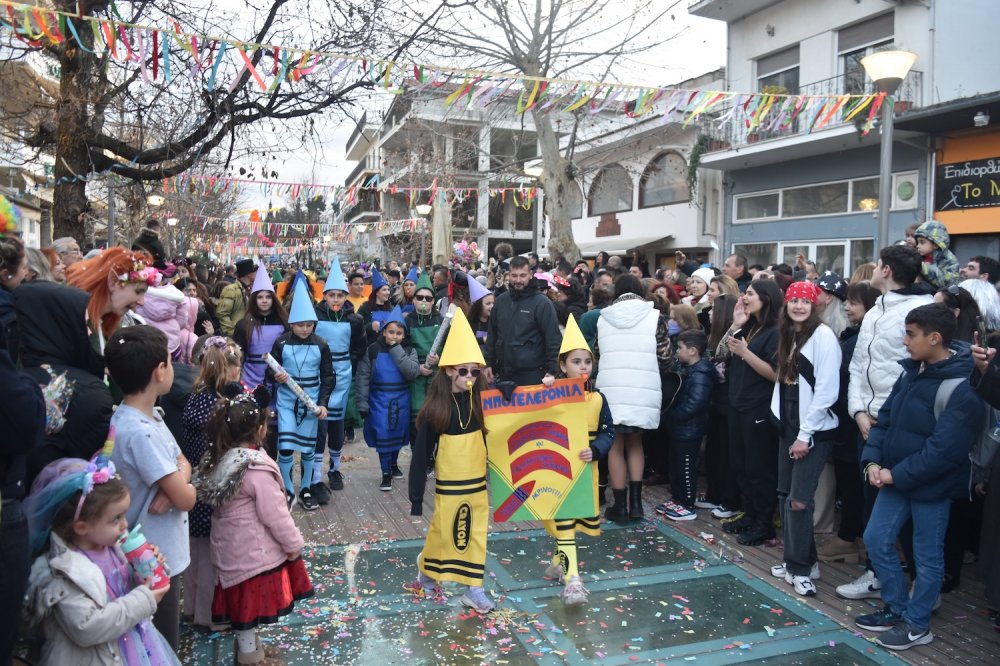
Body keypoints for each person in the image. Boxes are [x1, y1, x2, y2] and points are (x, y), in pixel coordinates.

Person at [855, 303, 983, 650]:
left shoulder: (963, 386)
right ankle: (896, 608)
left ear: (935, 337)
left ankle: (917, 623)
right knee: (877, 540)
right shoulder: (912, 371)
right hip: (895, 478)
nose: (904, 341)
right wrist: (871, 463)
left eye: (911, 334)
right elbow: (887, 421)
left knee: (927, 559)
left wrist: (894, 474)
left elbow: (945, 451)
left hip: (930, 487)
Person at [195, 385, 313, 666]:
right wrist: (293, 545)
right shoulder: (255, 468)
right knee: (247, 612)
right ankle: (250, 659)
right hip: (252, 554)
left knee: (243, 610)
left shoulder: (223, 458)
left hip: (231, 552)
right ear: (260, 428)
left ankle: (252, 648)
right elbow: (276, 516)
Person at [842, 245, 933, 601]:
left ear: (886, 270)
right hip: (868, 422)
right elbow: (858, 368)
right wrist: (859, 412)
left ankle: (916, 581)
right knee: (870, 499)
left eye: (877, 265)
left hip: (895, 423)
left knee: (901, 506)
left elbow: (914, 371)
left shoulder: (918, 311)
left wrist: (883, 415)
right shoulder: (877, 307)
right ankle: (877, 572)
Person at [22, 459, 179, 665]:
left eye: (124, 515)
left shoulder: (112, 548)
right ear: (81, 527)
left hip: (128, 645)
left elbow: (121, 588)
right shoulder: (63, 572)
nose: (125, 525)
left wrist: (145, 572)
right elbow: (87, 627)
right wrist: (143, 600)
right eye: (115, 519)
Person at [106, 325, 197, 651]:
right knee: (159, 643)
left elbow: (182, 460)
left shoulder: (146, 417)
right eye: (171, 362)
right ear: (160, 371)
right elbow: (187, 498)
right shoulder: (141, 431)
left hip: (151, 548)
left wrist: (173, 481)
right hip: (154, 558)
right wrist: (180, 482)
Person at [406, 309, 495, 613]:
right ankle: (427, 569)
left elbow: (511, 406)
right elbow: (420, 458)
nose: (470, 377)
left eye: (475, 371)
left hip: (477, 484)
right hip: (449, 485)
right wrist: (416, 498)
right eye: (463, 371)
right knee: (445, 532)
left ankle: (475, 588)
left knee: (476, 532)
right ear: (448, 371)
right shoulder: (435, 411)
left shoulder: (484, 403)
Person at [766, 281, 841, 597]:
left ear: (815, 305)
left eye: (804, 300)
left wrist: (805, 435)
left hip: (812, 428)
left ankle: (799, 568)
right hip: (789, 424)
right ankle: (803, 561)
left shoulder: (823, 337)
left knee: (799, 500)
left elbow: (826, 390)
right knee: (785, 496)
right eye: (793, 300)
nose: (798, 305)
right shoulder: (789, 334)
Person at [540, 317, 614, 605]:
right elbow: (532, 416)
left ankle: (564, 571)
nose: (583, 367)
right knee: (564, 521)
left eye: (587, 361)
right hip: (556, 471)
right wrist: (543, 390)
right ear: (562, 366)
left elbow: (609, 431)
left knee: (568, 522)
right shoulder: (551, 394)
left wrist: (596, 450)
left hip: (584, 470)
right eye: (576, 361)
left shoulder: (598, 398)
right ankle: (567, 573)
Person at [595, 274, 671, 522]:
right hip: (643, 387)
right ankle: (636, 505)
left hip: (611, 389)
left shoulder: (603, 318)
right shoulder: (655, 316)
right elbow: (665, 358)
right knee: (636, 443)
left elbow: (597, 353)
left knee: (614, 445)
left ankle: (619, 505)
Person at [181, 336, 242, 631]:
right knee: (211, 557)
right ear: (228, 369)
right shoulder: (220, 404)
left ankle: (192, 608)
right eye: (237, 365)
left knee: (195, 552)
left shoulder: (196, 395)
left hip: (194, 483)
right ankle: (209, 615)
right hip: (213, 486)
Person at [719, 280, 783, 546]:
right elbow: (719, 353)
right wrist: (734, 325)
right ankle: (749, 513)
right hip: (737, 404)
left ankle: (764, 523)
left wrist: (745, 353)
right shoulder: (748, 326)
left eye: (750, 294)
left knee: (759, 468)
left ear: (766, 298)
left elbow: (775, 373)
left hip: (758, 406)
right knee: (740, 464)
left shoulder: (776, 331)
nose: (744, 297)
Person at [819, 280, 879, 564]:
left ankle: (847, 538)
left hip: (849, 420)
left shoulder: (861, 339)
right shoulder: (854, 335)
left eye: (853, 302)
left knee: (852, 481)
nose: (846, 306)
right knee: (850, 480)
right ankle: (851, 537)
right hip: (846, 418)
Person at [269, 279, 333, 511]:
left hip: (311, 403)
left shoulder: (322, 345)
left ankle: (305, 488)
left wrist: (323, 403)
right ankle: (287, 489)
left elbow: (328, 376)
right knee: (285, 445)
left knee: (308, 448)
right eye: (300, 325)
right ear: (292, 324)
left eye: (309, 325)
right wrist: (275, 376)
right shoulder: (281, 343)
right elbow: (270, 368)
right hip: (287, 401)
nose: (305, 329)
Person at [312, 259, 366, 499]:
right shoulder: (314, 316)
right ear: (324, 297)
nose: (335, 300)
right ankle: (314, 475)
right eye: (331, 295)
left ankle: (334, 469)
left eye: (339, 295)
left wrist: (348, 363)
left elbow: (360, 346)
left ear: (346, 297)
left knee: (336, 424)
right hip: (319, 374)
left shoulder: (354, 320)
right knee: (318, 425)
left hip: (342, 375)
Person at [356, 306, 421, 491]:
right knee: (383, 434)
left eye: (398, 333)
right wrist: (362, 402)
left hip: (401, 399)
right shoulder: (373, 350)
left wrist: (396, 349)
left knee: (398, 435)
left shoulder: (409, 351)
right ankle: (385, 472)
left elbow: (412, 372)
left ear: (404, 335)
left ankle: (393, 462)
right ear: (384, 331)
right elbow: (362, 376)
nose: (394, 336)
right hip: (379, 400)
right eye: (391, 332)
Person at [655, 329, 715, 522]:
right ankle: (678, 498)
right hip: (681, 428)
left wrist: (674, 416)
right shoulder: (689, 370)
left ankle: (687, 503)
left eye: (679, 348)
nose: (676, 352)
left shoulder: (701, 373)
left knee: (687, 466)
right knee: (677, 465)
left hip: (690, 429)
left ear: (692, 350)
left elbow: (696, 402)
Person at [484, 256, 561, 387]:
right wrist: (488, 364)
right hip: (504, 374)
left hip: (533, 375)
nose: (518, 280)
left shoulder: (542, 303)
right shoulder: (501, 301)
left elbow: (553, 338)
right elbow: (492, 335)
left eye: (522, 275)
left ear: (530, 275)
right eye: (514, 276)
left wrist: (552, 371)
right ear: (508, 275)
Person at [233, 270, 288, 393]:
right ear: (254, 299)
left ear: (273, 299)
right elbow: (237, 355)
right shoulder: (244, 325)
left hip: (278, 378)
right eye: (260, 297)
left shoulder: (284, 323)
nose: (264, 300)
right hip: (249, 378)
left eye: (268, 297)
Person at [406, 273, 443, 443]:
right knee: (416, 419)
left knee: (436, 417)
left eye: (428, 298)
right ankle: (418, 457)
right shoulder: (406, 322)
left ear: (433, 301)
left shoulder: (442, 322)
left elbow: (450, 349)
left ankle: (432, 456)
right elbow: (401, 350)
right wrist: (417, 367)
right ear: (413, 300)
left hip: (437, 378)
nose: (424, 301)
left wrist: (440, 358)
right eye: (420, 297)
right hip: (414, 378)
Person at [913, 220, 960, 290]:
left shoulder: (949, 260)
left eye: (922, 242)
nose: (918, 246)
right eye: (917, 242)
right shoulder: (920, 257)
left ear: (936, 244)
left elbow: (948, 282)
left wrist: (923, 267)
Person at [216, 259, 257, 336]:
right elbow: (222, 314)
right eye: (254, 271)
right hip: (235, 336)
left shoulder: (248, 289)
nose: (256, 273)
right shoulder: (231, 289)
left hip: (246, 334)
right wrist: (233, 333)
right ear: (249, 274)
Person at [358, 267, 394, 347]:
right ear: (376, 292)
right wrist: (370, 326)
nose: (388, 292)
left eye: (388, 290)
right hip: (369, 348)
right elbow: (357, 328)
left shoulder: (391, 308)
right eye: (384, 290)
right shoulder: (365, 307)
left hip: (387, 348)